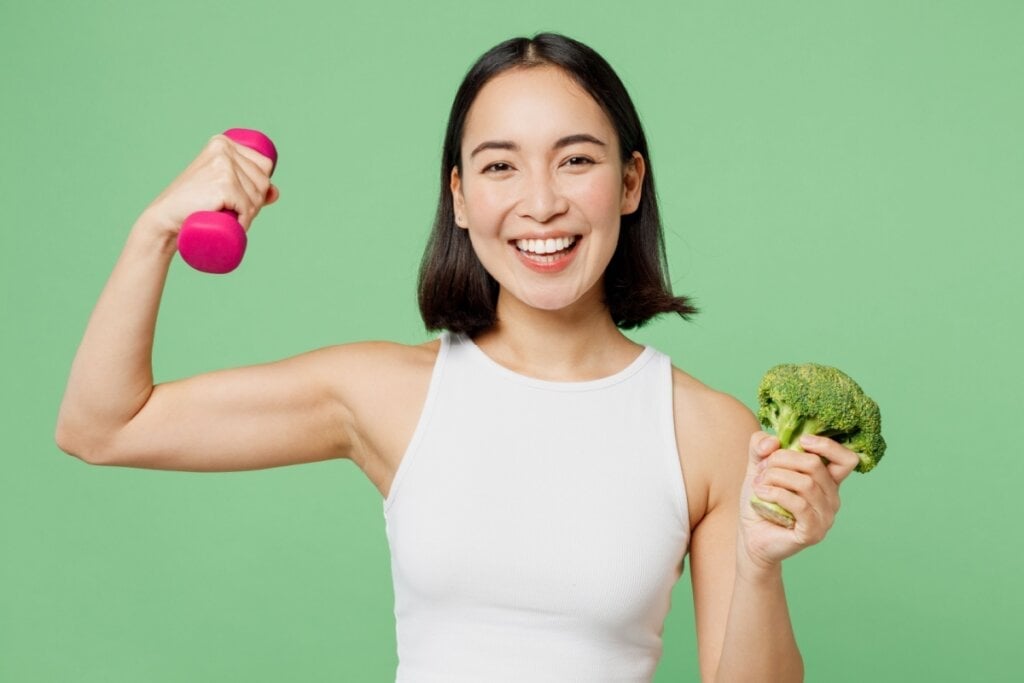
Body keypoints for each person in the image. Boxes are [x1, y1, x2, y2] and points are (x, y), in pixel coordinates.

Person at [56, 33, 861, 682]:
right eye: (500, 165)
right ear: (461, 196)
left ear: (630, 181)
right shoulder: (386, 394)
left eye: (576, 159)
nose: (540, 201)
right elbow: (102, 425)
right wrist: (154, 232)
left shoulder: (706, 429)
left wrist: (759, 567)